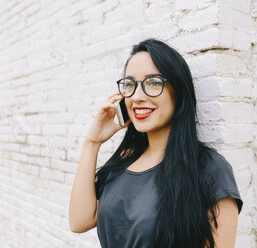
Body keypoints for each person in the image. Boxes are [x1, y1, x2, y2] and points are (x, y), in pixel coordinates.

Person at [69, 38, 243, 248]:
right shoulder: (124, 161)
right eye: (130, 85)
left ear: (178, 91)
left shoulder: (209, 169)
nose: (138, 96)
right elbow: (79, 222)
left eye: (153, 82)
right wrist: (92, 142)